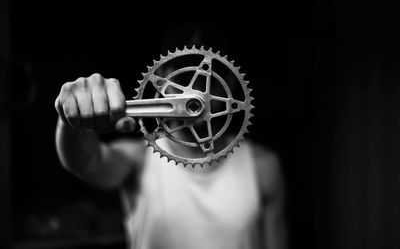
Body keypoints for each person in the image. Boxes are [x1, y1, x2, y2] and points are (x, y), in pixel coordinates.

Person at [54, 25, 287, 249]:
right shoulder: (138, 159)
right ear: (162, 79)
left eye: (209, 75)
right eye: (184, 76)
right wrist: (72, 120)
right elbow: (86, 162)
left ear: (231, 83)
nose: (195, 90)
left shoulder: (262, 167)